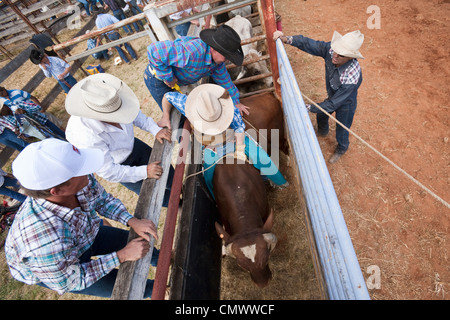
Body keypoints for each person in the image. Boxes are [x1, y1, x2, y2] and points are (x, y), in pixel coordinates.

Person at [4, 138, 158, 298]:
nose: (89, 171)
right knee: (128, 286)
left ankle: (171, 263)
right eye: (79, 170)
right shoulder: (40, 242)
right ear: (56, 191)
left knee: (145, 246)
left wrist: (132, 221)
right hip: (59, 267)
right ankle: (162, 291)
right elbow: (70, 280)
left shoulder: (77, 181)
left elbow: (101, 199)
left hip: (85, 232)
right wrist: (122, 255)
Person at [64, 73, 174, 205]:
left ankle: (182, 191)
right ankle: (177, 205)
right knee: (154, 196)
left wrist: (155, 129)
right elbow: (108, 170)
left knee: (168, 172)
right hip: (118, 166)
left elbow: (134, 114)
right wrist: (144, 171)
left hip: (133, 146)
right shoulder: (85, 136)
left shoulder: (111, 98)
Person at [274, 30, 364, 163]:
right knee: (322, 114)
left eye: (342, 55)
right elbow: (311, 44)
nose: (336, 55)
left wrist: (308, 107)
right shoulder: (332, 50)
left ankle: (342, 148)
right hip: (333, 95)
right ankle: (322, 131)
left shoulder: (352, 74)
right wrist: (287, 39)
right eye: (336, 50)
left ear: (350, 57)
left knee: (342, 127)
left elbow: (334, 103)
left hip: (346, 102)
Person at [145, 24, 249, 116]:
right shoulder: (192, 53)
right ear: (214, 49)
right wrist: (168, 77)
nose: (227, 61)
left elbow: (226, 81)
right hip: (158, 79)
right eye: (226, 57)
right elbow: (154, 50)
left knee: (186, 111)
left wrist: (236, 102)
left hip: (178, 80)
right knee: (175, 115)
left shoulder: (217, 64)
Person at [158, 83, 246, 158]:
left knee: (257, 156)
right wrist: (165, 116)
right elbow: (167, 97)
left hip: (228, 137)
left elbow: (239, 128)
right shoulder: (186, 104)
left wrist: (240, 149)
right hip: (209, 143)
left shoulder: (230, 110)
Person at [0, 98, 66, 140]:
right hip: (37, 132)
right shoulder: (6, 117)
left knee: (62, 135)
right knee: (55, 142)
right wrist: (19, 131)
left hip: (43, 122)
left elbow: (37, 107)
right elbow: (18, 126)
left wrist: (25, 111)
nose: (3, 114)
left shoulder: (16, 104)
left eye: (1, 112)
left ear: (4, 106)